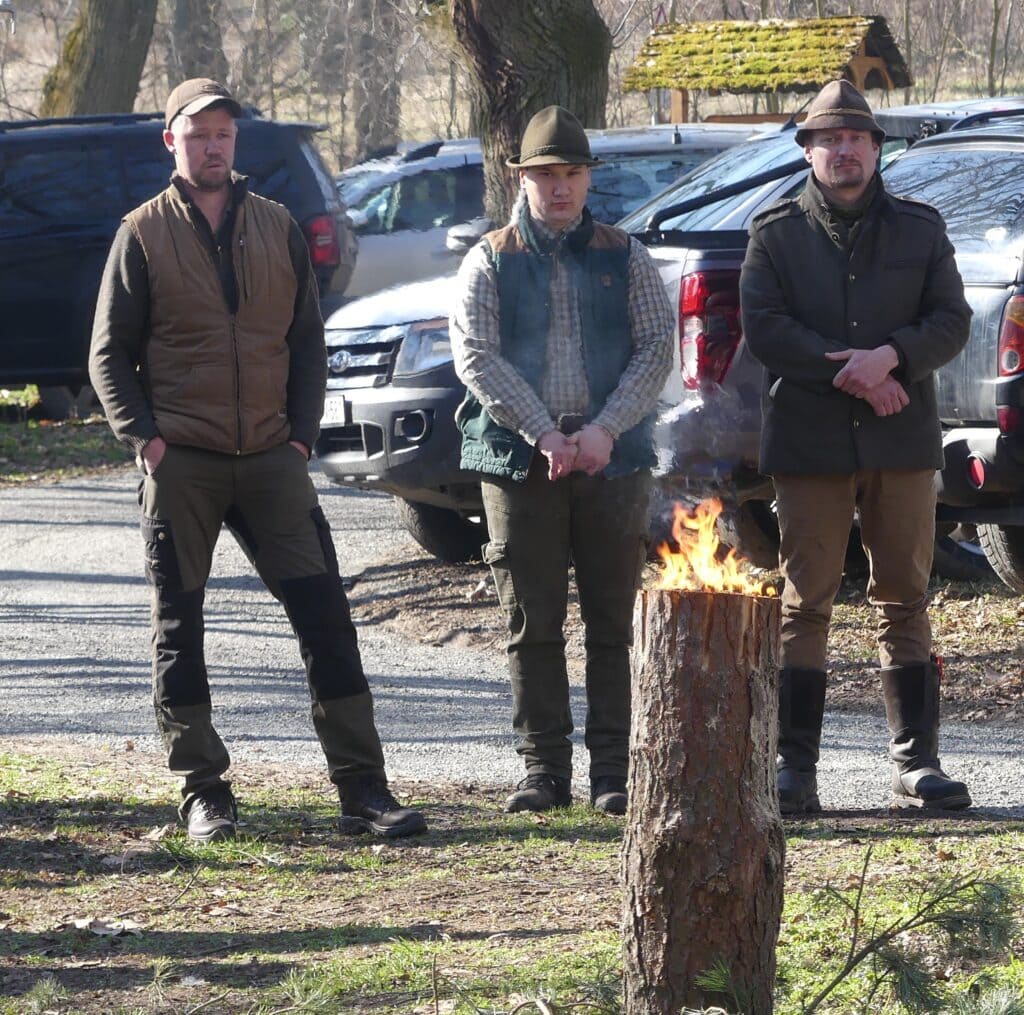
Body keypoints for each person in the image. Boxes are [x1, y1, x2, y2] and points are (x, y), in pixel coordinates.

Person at [89, 78, 425, 842]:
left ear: (235, 142)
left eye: (223, 134)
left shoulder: (276, 225)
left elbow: (307, 340)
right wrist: (147, 440)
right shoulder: (141, 233)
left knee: (326, 616)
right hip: (184, 462)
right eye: (198, 134)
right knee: (180, 627)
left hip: (273, 459)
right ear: (170, 141)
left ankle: (363, 790)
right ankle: (203, 791)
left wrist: (300, 436)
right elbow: (107, 354)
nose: (213, 146)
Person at [739, 79, 973, 813]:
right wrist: (860, 374)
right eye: (829, 140)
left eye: (857, 139)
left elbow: (951, 319)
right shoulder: (774, 232)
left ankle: (917, 761)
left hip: (901, 444)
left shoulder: (920, 228)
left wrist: (891, 358)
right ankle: (793, 767)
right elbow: (766, 328)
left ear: (876, 149)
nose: (844, 150)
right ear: (808, 151)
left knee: (904, 597)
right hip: (809, 443)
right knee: (805, 602)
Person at [449, 106, 673, 815]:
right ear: (521, 178)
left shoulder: (625, 254)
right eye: (545, 174)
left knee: (613, 625)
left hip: (616, 459)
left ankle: (613, 772)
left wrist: (604, 429)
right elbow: (476, 356)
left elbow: (655, 348)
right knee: (532, 623)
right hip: (519, 462)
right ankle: (543, 770)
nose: (560, 187)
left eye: (572, 173)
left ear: (588, 179)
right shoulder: (490, 257)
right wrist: (544, 432)